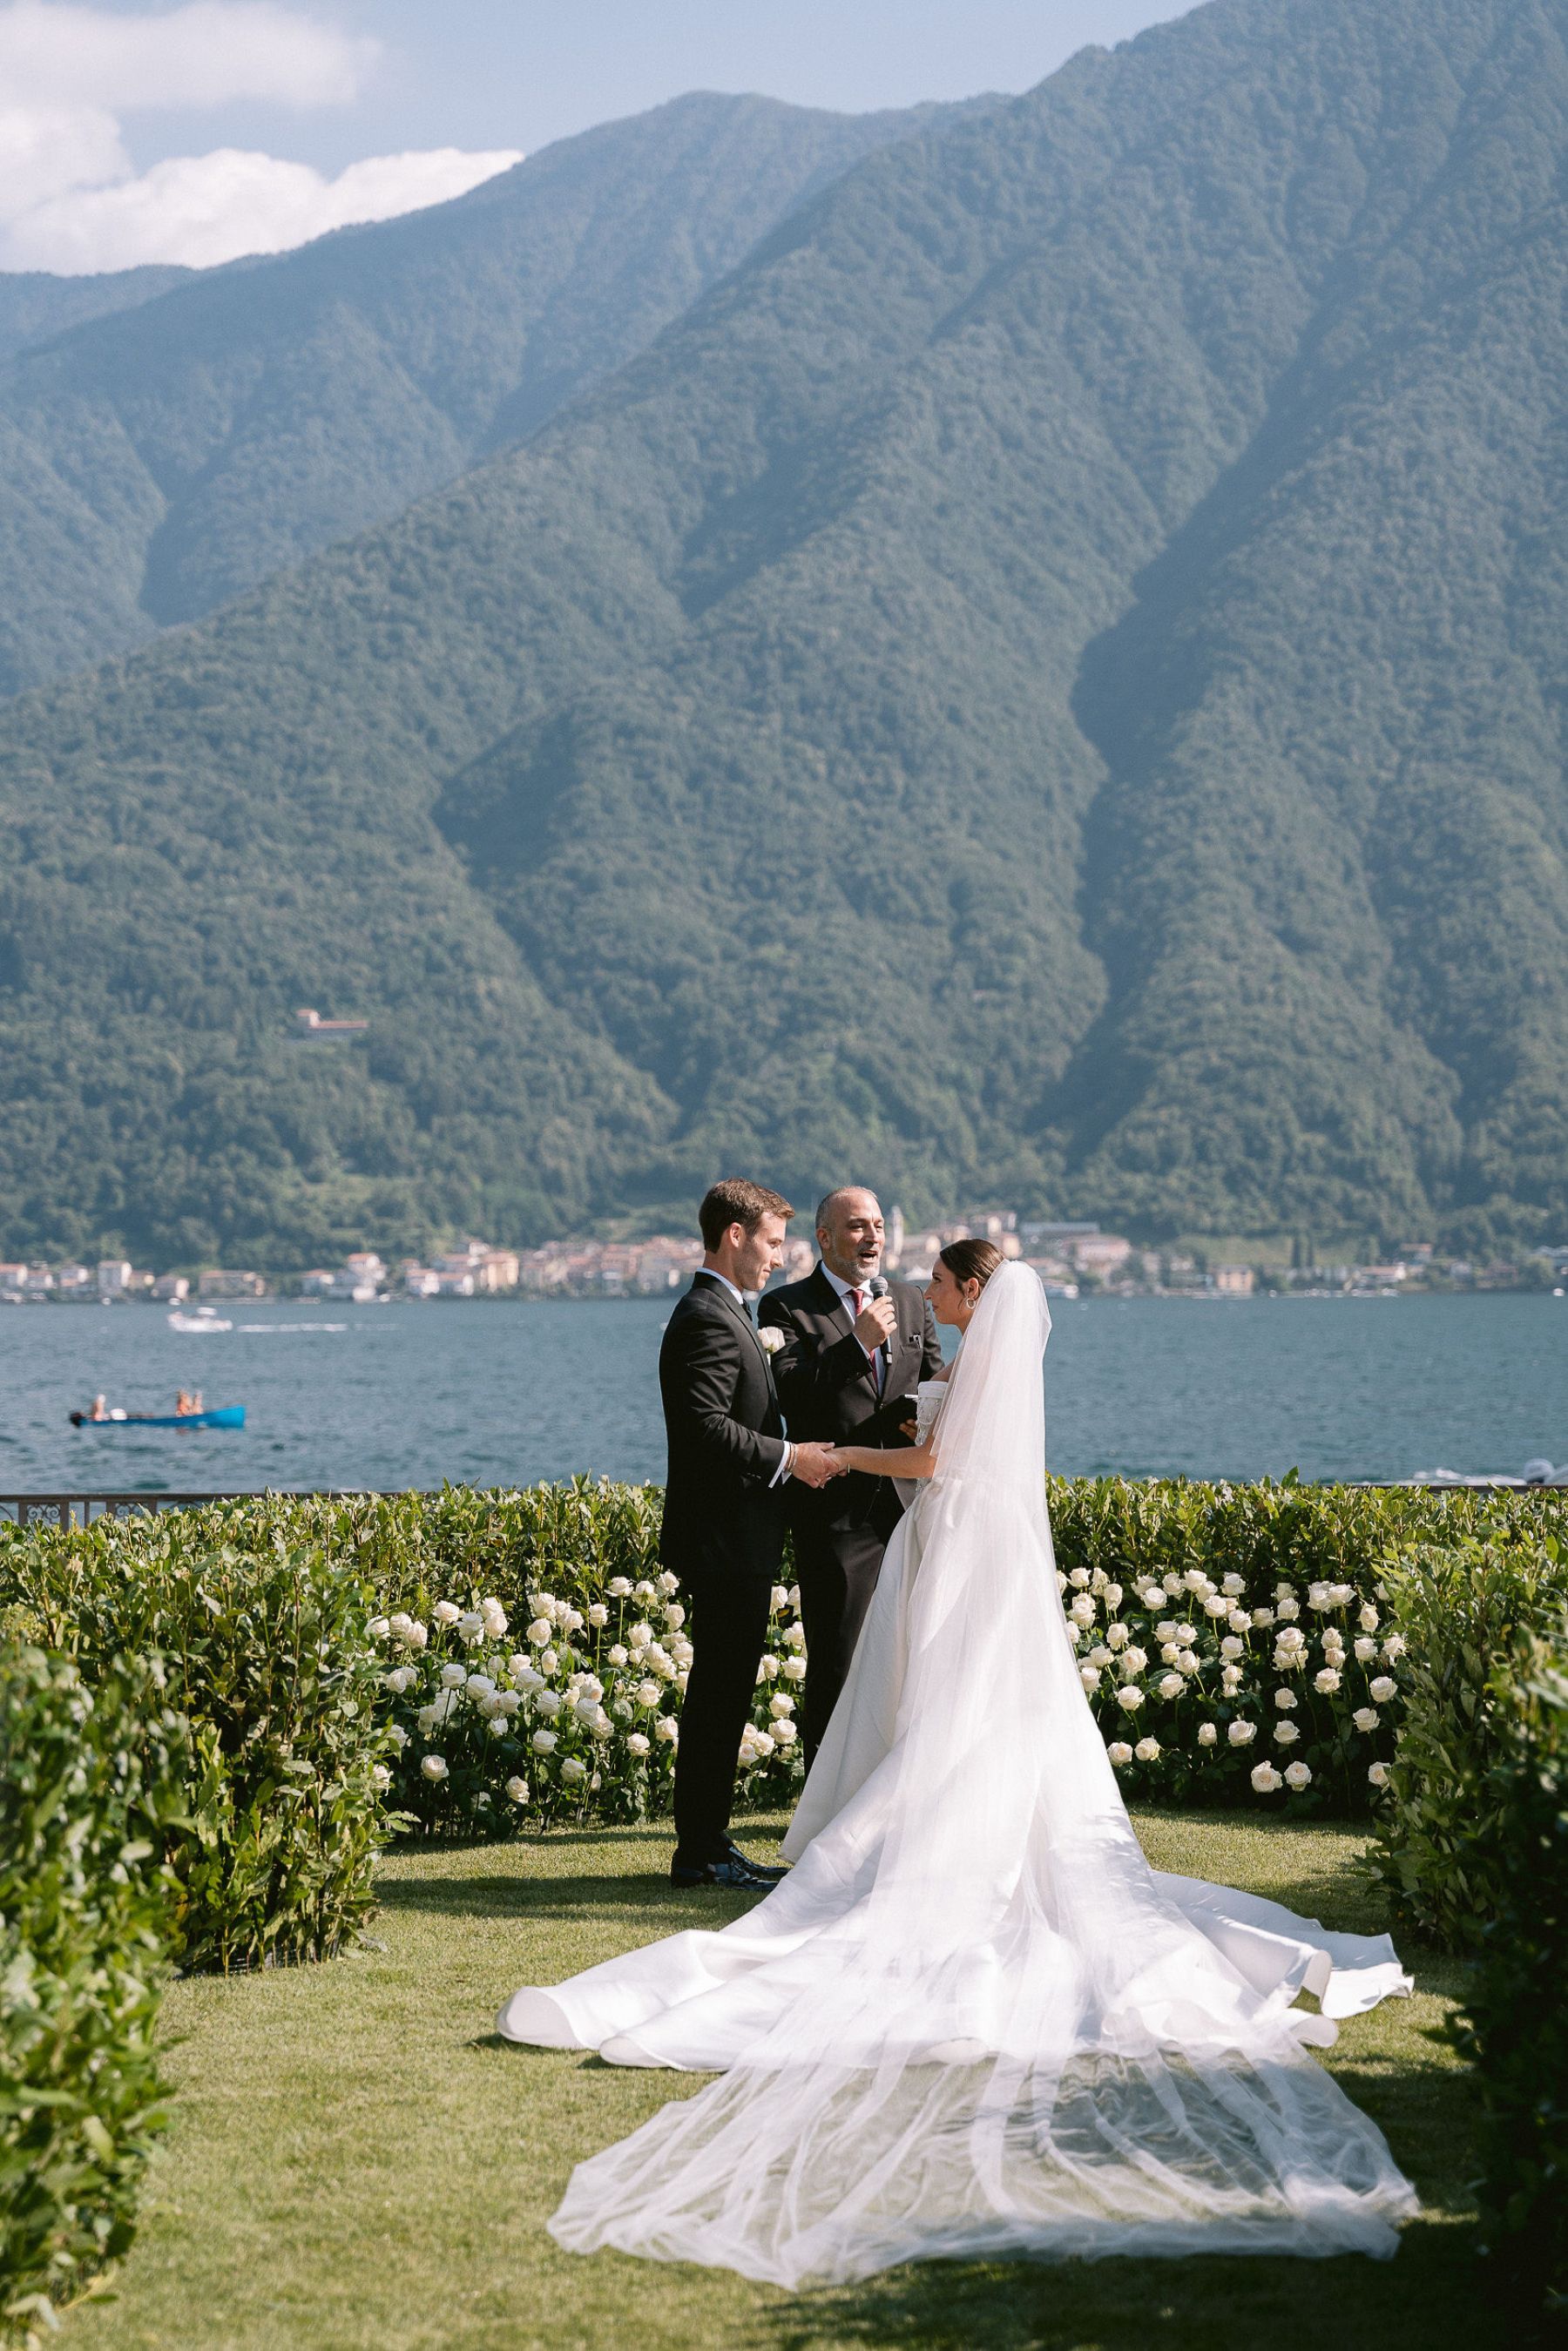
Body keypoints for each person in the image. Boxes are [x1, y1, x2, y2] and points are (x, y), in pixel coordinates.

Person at [497, 1244, 1416, 2286]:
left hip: (965, 1546)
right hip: (982, 1545)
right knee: (977, 1713)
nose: (925, 1295)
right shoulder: (985, 1357)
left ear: (975, 1293)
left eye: (940, 1282)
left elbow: (936, 1463)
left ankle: (943, 1847)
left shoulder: (977, 1359)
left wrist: (847, 1454)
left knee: (958, 1709)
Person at [652, 1179, 842, 1892]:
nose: (778, 1258)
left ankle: (707, 1844)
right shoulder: (707, 1316)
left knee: (724, 1694)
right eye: (771, 1242)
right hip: (724, 1540)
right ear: (734, 1235)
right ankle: (701, 1850)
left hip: (735, 1537)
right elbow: (705, 1427)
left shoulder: (723, 1309)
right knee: (718, 1698)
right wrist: (791, 1457)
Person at [758, 1186, 943, 1763]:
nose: (873, 1237)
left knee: (910, 1659)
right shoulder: (786, 1307)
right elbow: (793, 1396)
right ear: (825, 1237)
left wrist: (922, 1417)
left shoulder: (910, 1300)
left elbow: (934, 1384)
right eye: (858, 1226)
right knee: (838, 1661)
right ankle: (826, 1794)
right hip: (835, 1515)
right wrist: (858, 1343)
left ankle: (893, 1785)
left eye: (879, 1225)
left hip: (911, 1507)